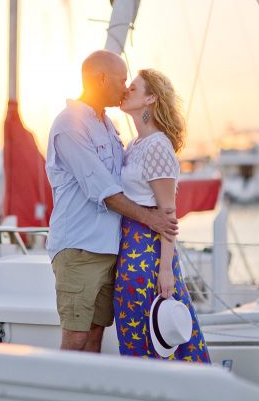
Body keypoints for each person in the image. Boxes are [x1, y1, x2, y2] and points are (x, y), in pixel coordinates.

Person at [45, 50, 178, 353]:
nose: (124, 88)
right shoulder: (70, 124)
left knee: (95, 335)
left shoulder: (107, 125)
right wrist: (152, 218)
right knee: (76, 337)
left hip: (110, 250)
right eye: (121, 81)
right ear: (102, 78)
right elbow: (102, 190)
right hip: (80, 248)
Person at [113, 69, 210, 362]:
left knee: (154, 335)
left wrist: (165, 269)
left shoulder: (157, 146)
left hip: (149, 254)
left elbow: (168, 212)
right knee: (135, 336)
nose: (126, 90)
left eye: (134, 87)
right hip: (130, 250)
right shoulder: (135, 145)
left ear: (151, 98)